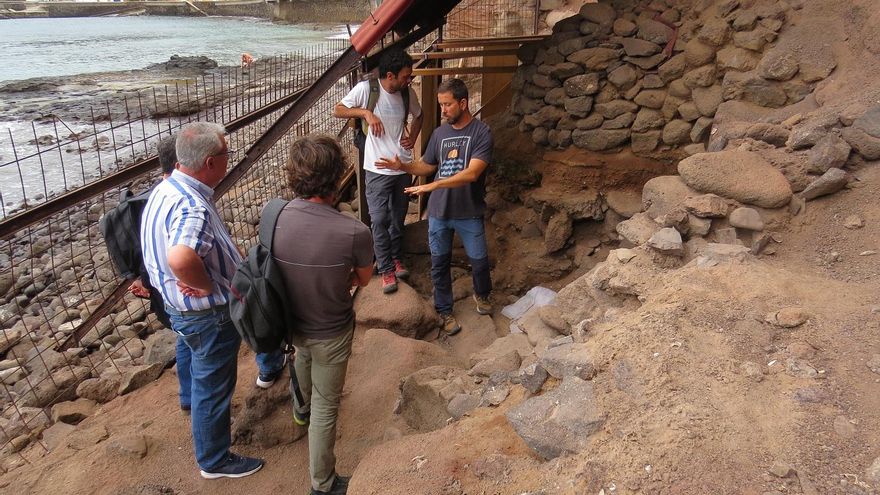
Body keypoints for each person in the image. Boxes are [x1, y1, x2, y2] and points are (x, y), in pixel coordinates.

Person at [140, 122, 264, 479]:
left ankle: (188, 400)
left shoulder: (166, 187)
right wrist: (208, 285)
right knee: (214, 379)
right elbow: (180, 256)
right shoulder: (191, 206)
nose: (229, 160)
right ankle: (214, 459)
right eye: (226, 155)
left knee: (190, 353)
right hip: (206, 313)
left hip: (177, 305)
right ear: (210, 162)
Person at [275, 135, 372, 495]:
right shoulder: (354, 231)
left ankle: (299, 408)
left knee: (301, 355)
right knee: (326, 408)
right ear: (337, 176)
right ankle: (323, 482)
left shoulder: (275, 215)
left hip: (291, 321)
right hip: (331, 327)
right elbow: (363, 278)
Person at [376, 78, 493, 336]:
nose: (443, 110)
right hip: (439, 213)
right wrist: (404, 167)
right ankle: (445, 311)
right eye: (441, 104)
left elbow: (472, 173)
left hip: (469, 212)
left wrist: (433, 187)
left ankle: (482, 295)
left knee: (480, 261)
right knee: (439, 264)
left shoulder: (481, 132)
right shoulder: (439, 134)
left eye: (448, 104)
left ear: (463, 103)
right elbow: (428, 166)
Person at [332, 47, 423, 294]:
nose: (409, 80)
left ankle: (395, 258)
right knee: (379, 219)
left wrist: (412, 138)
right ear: (390, 76)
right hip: (376, 169)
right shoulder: (367, 90)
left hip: (402, 166)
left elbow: (420, 116)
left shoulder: (407, 94)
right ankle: (385, 269)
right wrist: (365, 112)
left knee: (397, 217)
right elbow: (338, 109)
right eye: (405, 76)